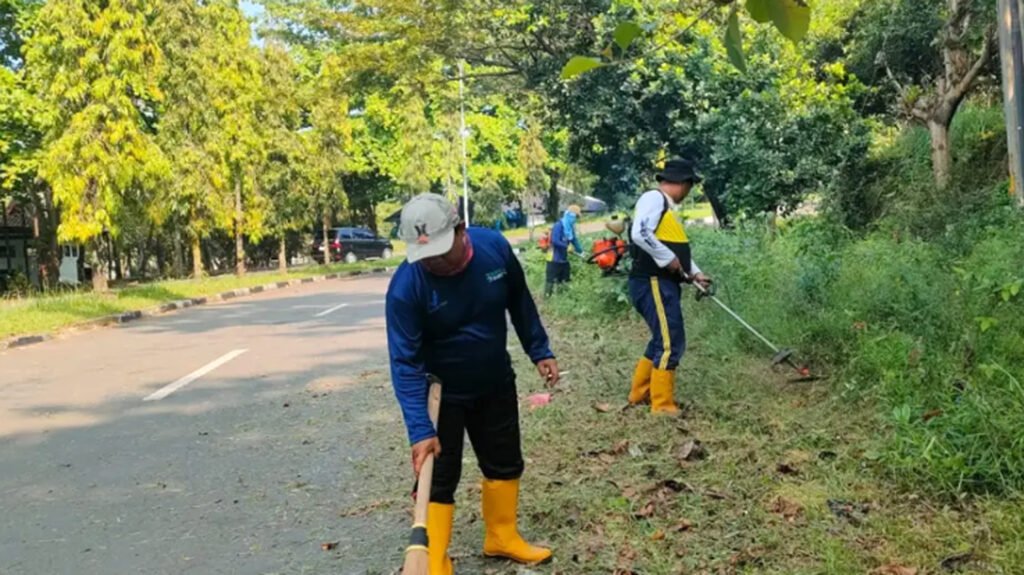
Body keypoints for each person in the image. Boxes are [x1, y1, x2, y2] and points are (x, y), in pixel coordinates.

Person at [386, 194, 561, 573]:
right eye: (424, 255)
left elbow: (520, 301)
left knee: (505, 461)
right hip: (439, 395)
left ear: (461, 230)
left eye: (439, 251)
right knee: (439, 476)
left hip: (494, 380)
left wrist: (539, 349)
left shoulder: (493, 248)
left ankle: (501, 536)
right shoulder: (406, 287)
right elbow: (404, 364)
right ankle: (434, 559)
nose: (432, 261)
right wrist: (420, 429)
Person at [627, 158, 712, 414]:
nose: (689, 192)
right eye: (690, 186)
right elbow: (640, 233)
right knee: (670, 342)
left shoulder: (665, 207)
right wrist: (668, 258)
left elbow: (672, 248)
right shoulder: (654, 198)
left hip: (662, 282)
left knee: (662, 339)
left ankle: (641, 394)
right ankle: (662, 406)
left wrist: (695, 273)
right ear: (683, 183)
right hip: (652, 281)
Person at [544, 205, 583, 296]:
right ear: (571, 215)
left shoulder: (570, 228)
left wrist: (581, 251)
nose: (575, 220)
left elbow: (574, 240)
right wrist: (566, 246)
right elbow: (555, 240)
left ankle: (561, 297)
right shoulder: (559, 225)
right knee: (551, 279)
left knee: (564, 279)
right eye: (576, 217)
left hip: (563, 258)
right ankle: (547, 298)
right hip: (553, 258)